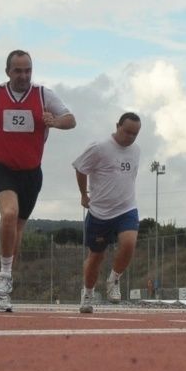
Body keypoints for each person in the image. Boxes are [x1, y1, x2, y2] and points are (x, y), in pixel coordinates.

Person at [0, 50, 75, 312]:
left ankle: (4, 284)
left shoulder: (43, 95)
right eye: (18, 71)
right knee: (9, 214)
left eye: (28, 71)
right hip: (1, 168)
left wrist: (55, 122)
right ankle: (3, 276)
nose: (24, 76)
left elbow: (71, 120)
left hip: (31, 173)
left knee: (18, 230)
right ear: (8, 72)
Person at [72, 112, 143, 312]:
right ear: (117, 126)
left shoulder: (136, 150)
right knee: (96, 257)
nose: (130, 137)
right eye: (127, 131)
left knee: (129, 243)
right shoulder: (99, 147)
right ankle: (88, 293)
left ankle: (114, 279)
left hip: (126, 208)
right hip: (100, 212)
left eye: (135, 134)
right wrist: (83, 195)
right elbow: (80, 168)